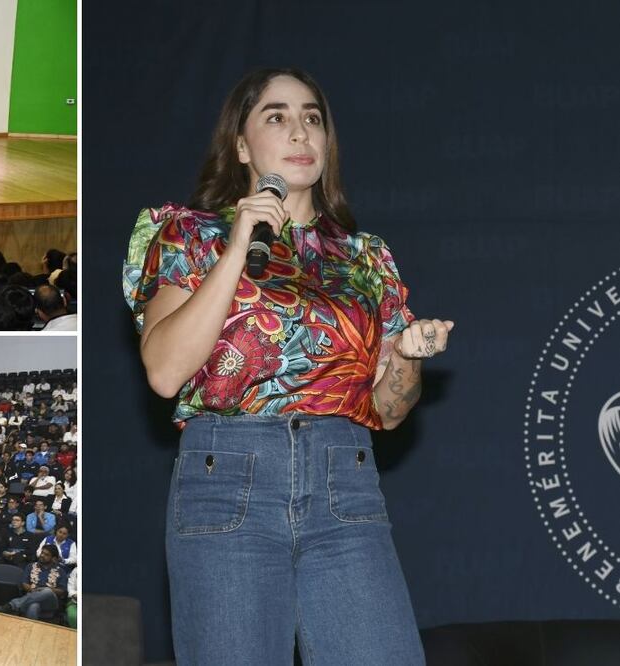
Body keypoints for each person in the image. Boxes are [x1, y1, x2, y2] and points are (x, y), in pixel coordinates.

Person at [122, 68, 453, 665]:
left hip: (344, 482)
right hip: (228, 483)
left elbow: (389, 411)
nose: (299, 131)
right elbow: (165, 372)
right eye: (276, 116)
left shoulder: (365, 258)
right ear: (243, 146)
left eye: (312, 117)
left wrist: (405, 357)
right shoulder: (188, 234)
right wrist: (238, 241)